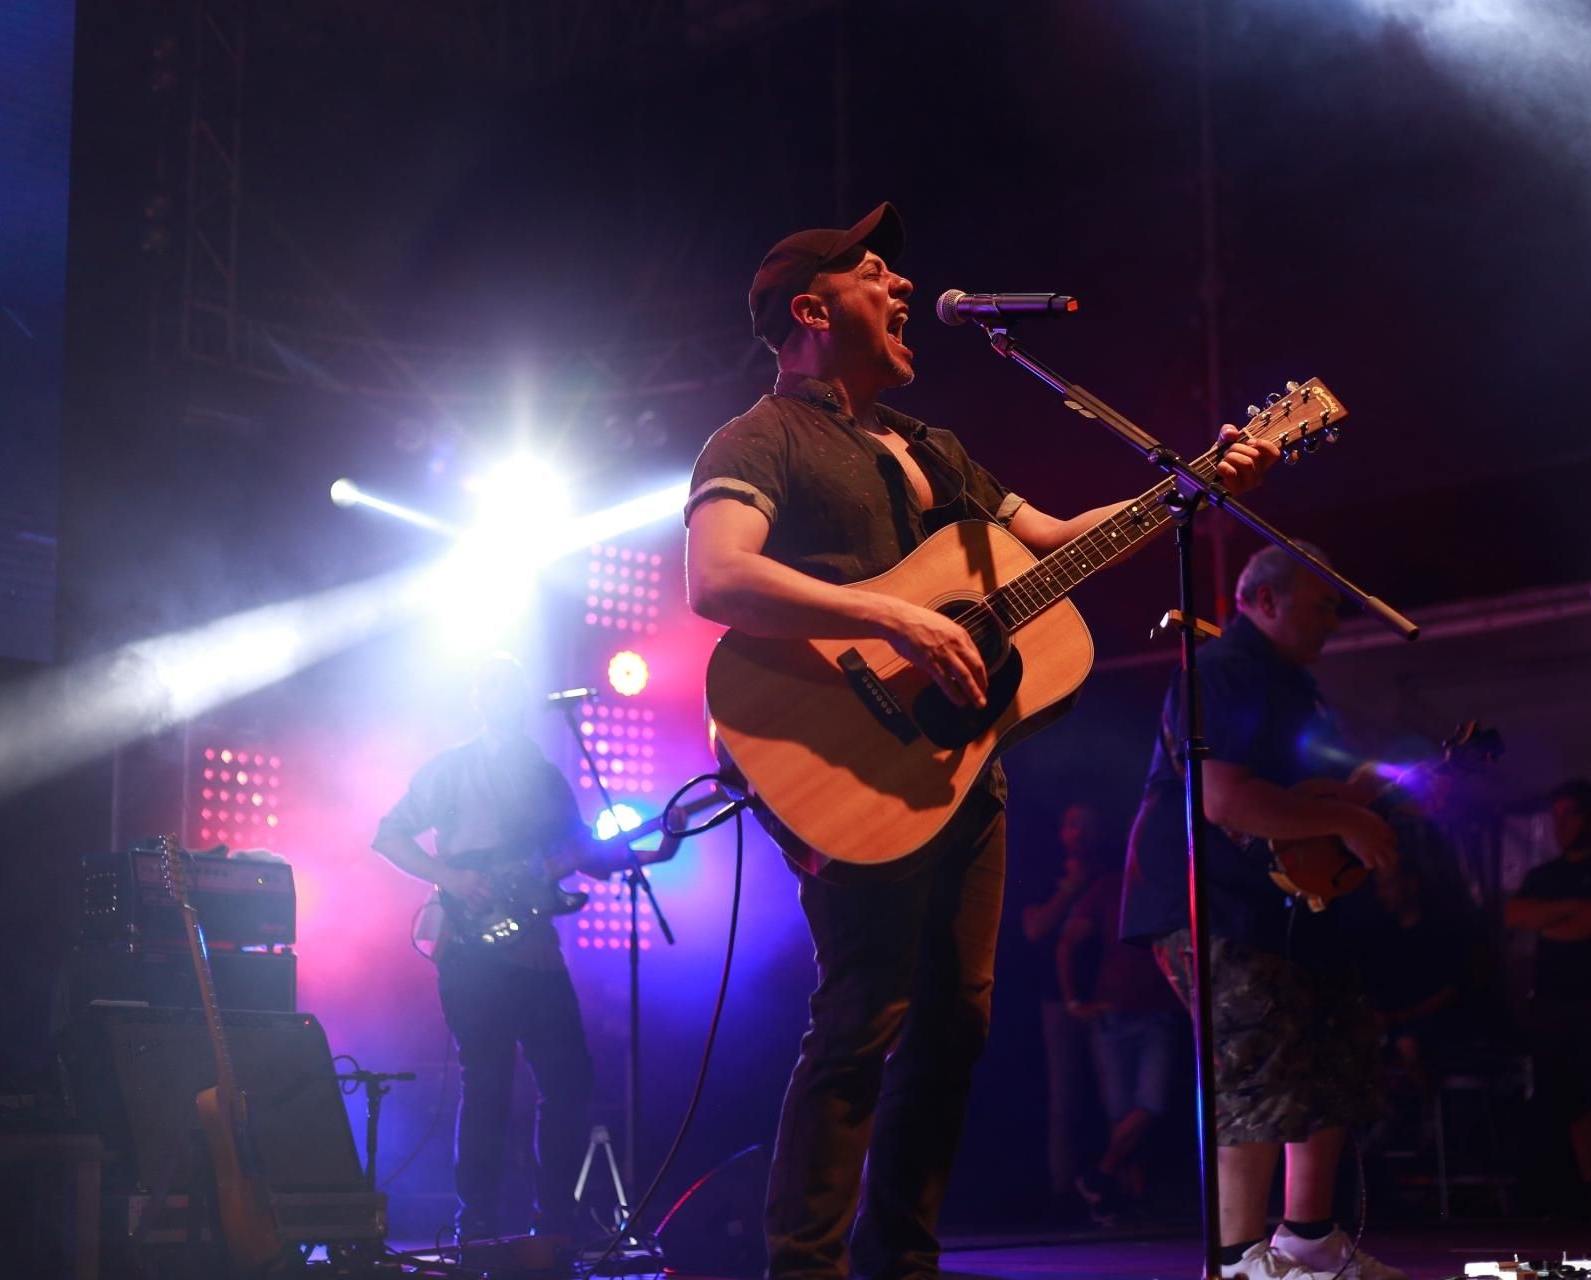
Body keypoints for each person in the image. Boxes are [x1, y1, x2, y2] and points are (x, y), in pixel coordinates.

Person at [682, 202, 1276, 1280]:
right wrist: (893, 618)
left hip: (961, 773)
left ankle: (901, 1263)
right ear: (812, 310)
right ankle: (803, 1269)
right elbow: (718, 577)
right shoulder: (759, 438)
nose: (903, 286)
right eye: (874, 273)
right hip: (848, 762)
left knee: (955, 1026)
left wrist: (1189, 488)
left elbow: (1053, 543)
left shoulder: (932, 446)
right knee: (863, 1016)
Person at [1118, 544, 1406, 1280]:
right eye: (1322, 604)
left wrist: (1357, 800)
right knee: (1252, 1069)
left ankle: (1308, 1241)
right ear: (1266, 600)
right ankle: (1235, 1262)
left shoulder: (1298, 688)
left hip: (1284, 903)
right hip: (1214, 900)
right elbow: (1223, 799)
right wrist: (1344, 819)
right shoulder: (1221, 669)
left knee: (1331, 1054)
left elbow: (1309, 795)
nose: (1334, 620)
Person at [371, 654, 631, 1243]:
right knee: (487, 1083)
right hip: (471, 949)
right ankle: (477, 1227)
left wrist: (652, 848)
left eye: (512, 686)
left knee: (569, 1082)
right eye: (491, 685)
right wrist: (452, 877)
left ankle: (554, 1224)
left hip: (536, 950)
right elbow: (388, 835)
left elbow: (583, 854)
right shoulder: (451, 769)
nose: (503, 695)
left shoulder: (546, 777)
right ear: (477, 698)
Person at [1504, 779, 1591, 1209]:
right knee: (1568, 1098)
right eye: (1556, 816)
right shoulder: (1542, 876)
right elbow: (1516, 915)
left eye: (1570, 815)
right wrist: (1577, 909)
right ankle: (1587, 1190)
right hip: (1552, 1004)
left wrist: (1551, 922)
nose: (1560, 825)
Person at [1056, 846, 1185, 1227]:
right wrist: (1073, 1001)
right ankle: (1125, 1198)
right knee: (1121, 1112)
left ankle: (1100, 1176)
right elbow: (1067, 942)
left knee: (1149, 1105)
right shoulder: (1110, 886)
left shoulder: (1169, 886)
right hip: (1113, 1014)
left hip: (1158, 1012)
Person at [1012, 800, 1100, 1214]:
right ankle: (1063, 1191)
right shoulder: (1046, 873)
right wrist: (1069, 889)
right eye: (1071, 824)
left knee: (1114, 1099)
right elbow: (1034, 928)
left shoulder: (1108, 869)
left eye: (1086, 824)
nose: (1078, 832)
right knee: (1064, 1097)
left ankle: (1112, 1188)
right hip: (1056, 1001)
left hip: (1108, 998)